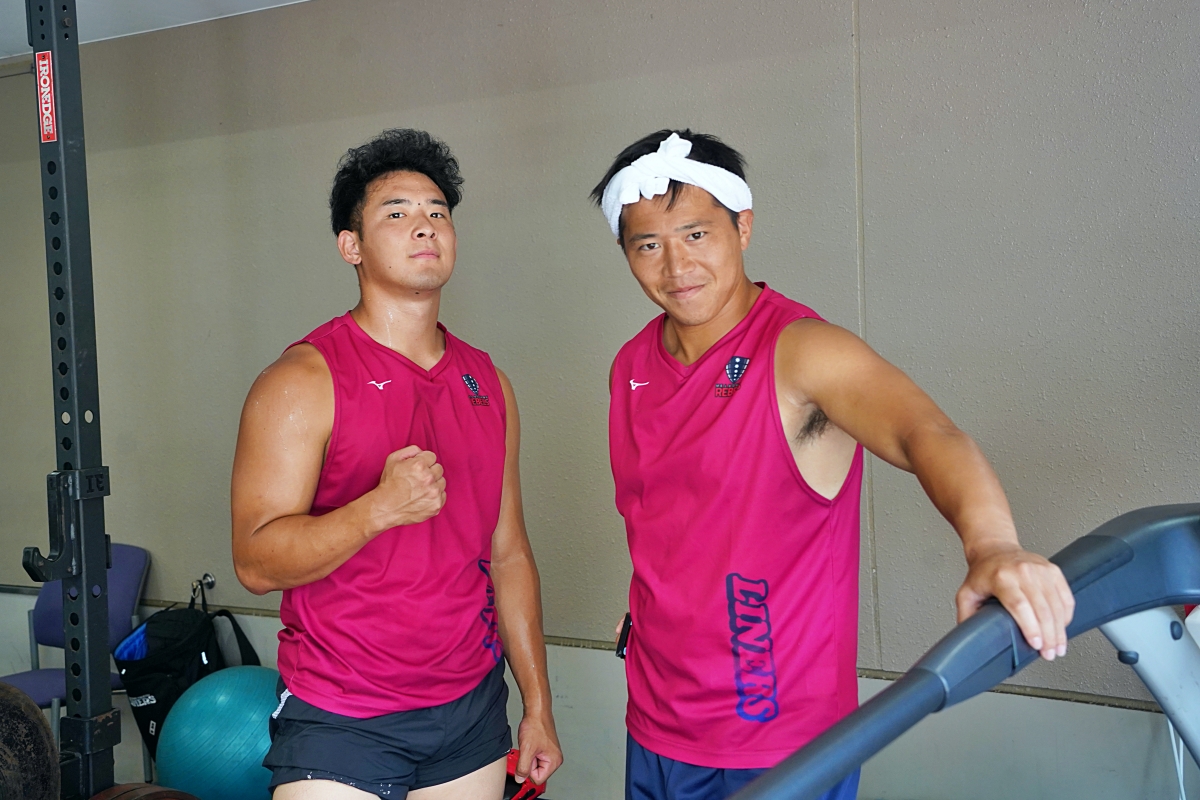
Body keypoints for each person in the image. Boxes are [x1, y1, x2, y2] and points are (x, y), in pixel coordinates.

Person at [590, 130, 1075, 800]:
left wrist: (993, 544)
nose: (676, 265)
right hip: (655, 718)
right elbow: (668, 518)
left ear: (743, 227)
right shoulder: (632, 365)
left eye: (696, 234)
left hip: (778, 736)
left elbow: (925, 432)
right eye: (648, 245)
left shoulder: (803, 352)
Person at [231, 129, 562, 799]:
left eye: (438, 212)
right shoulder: (301, 381)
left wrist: (538, 705)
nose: (425, 225)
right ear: (350, 246)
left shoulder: (489, 383)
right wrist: (376, 509)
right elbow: (256, 564)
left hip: (469, 710)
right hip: (341, 712)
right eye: (397, 212)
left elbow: (509, 555)